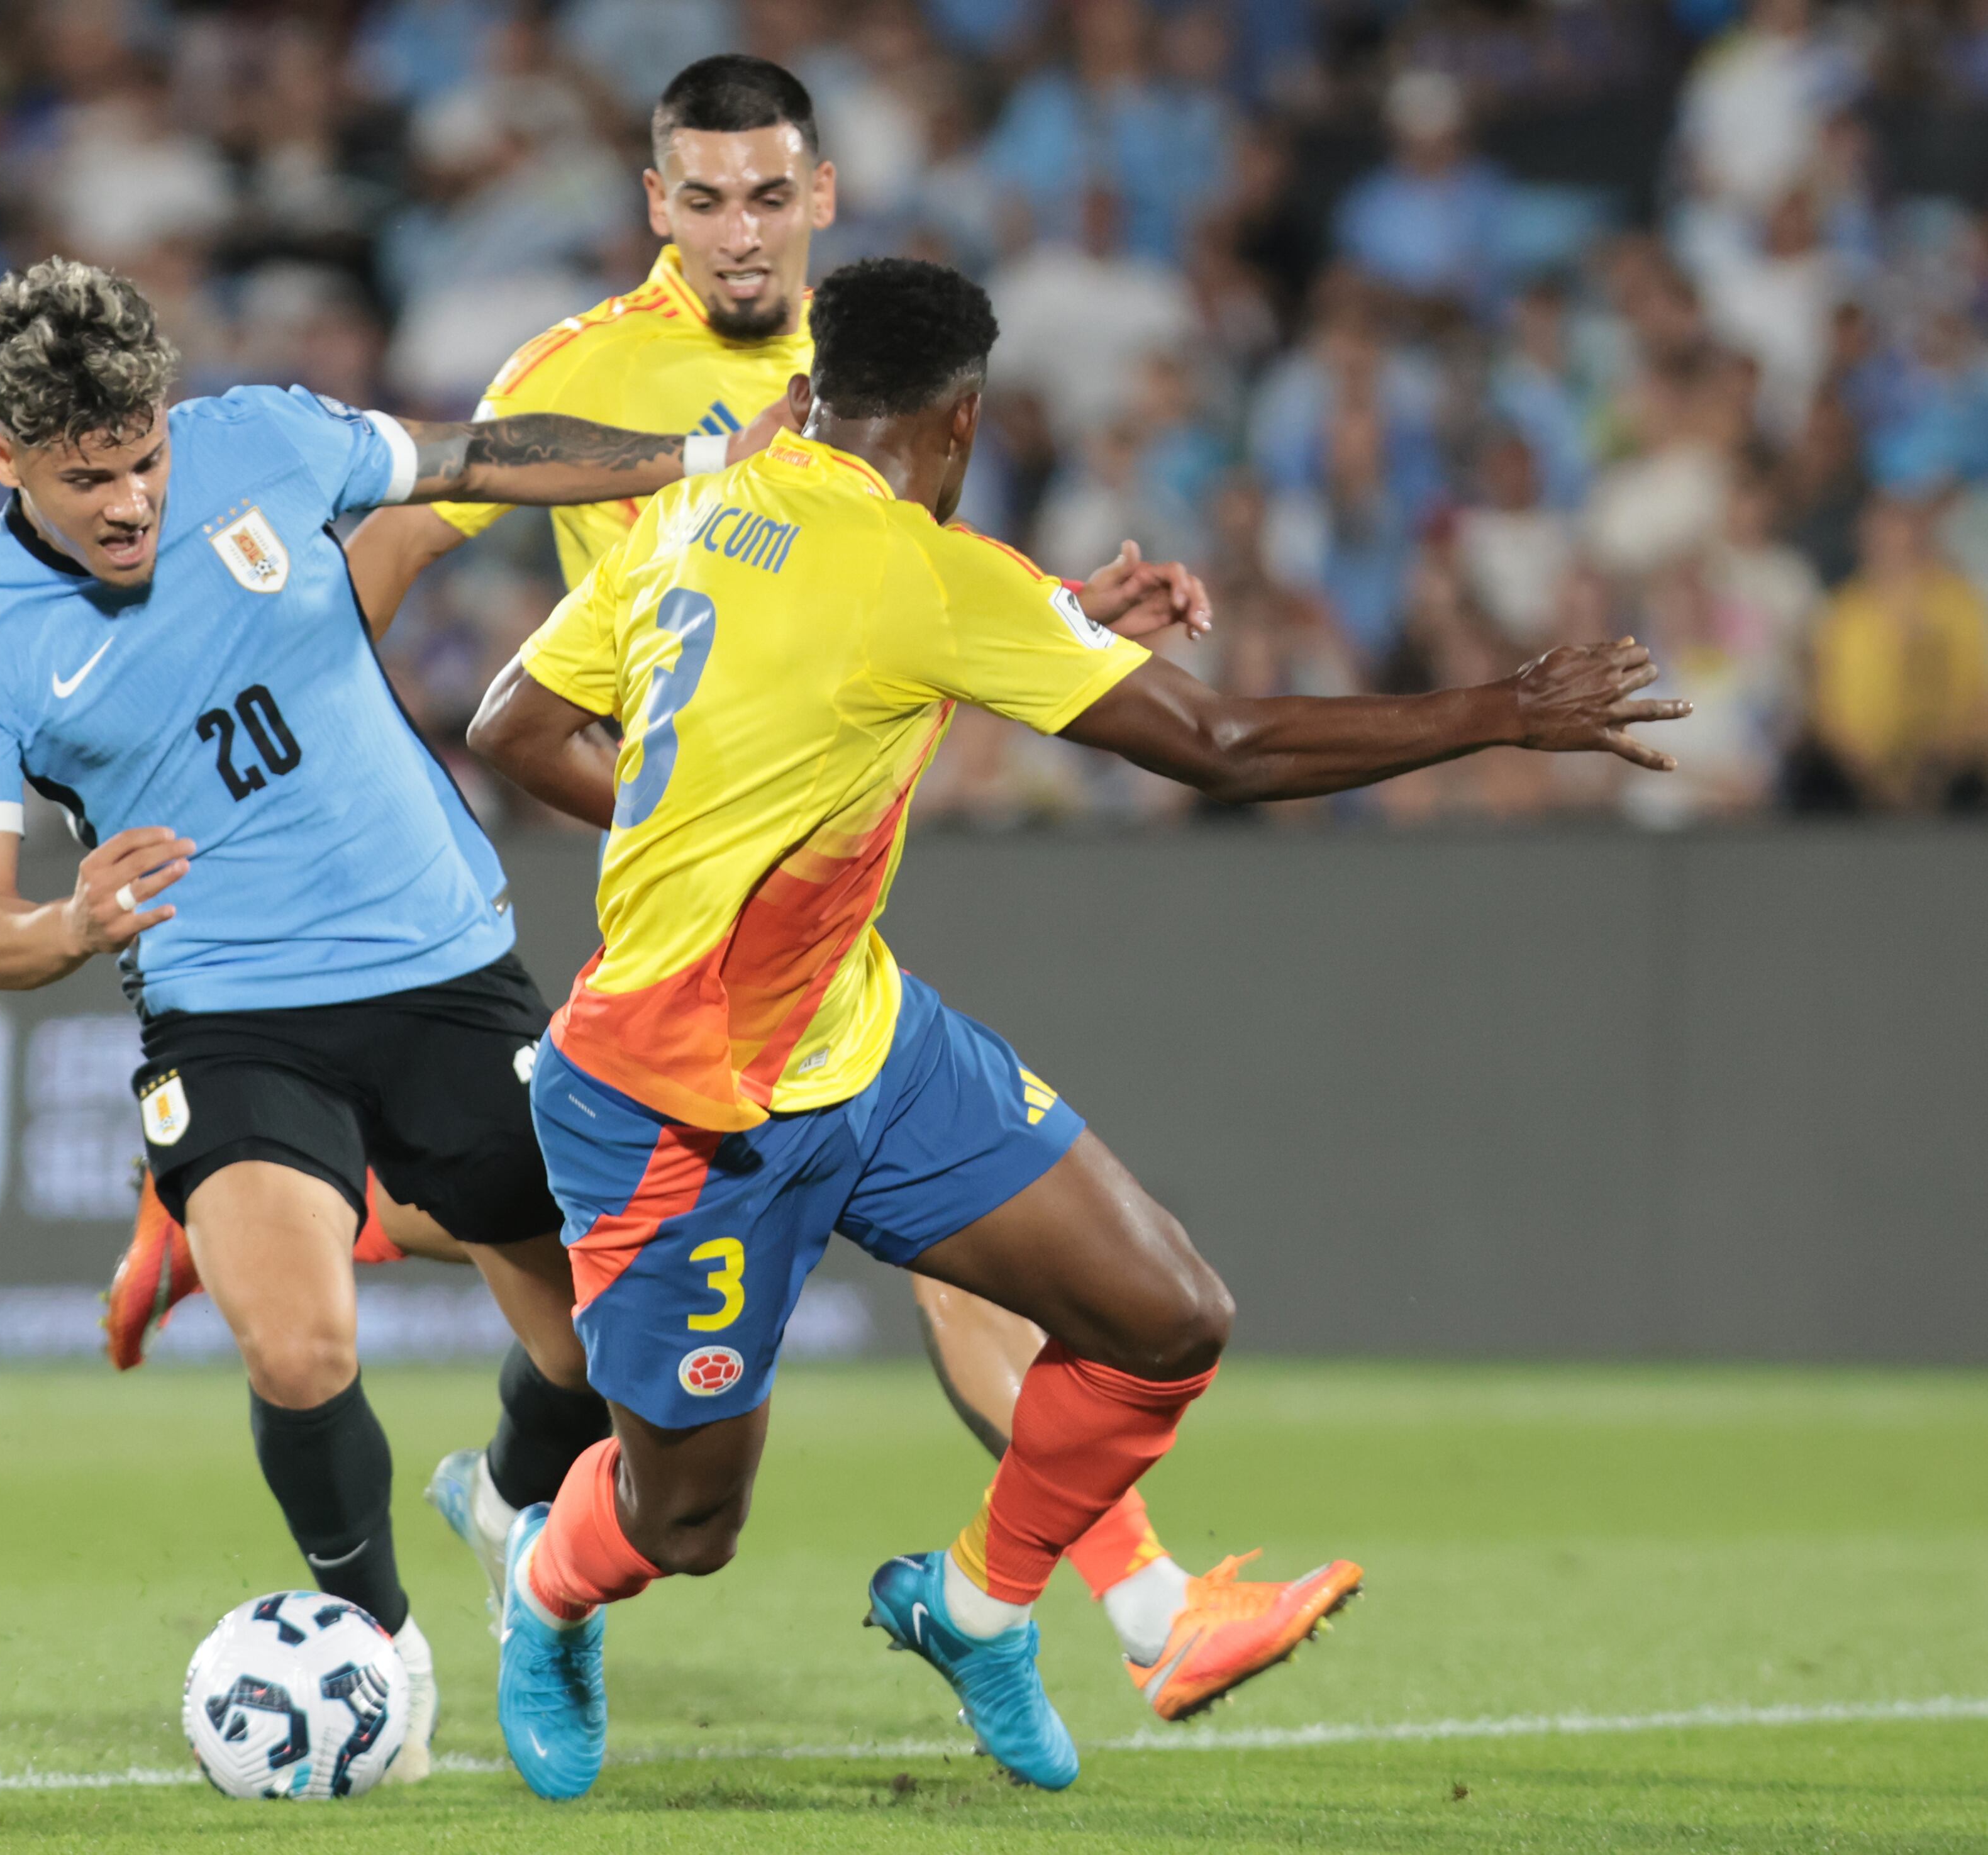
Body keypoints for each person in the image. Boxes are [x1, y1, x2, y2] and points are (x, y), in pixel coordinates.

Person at [464, 256, 1687, 1799]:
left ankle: (975, 1606)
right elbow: (1224, 745)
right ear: (964, 416)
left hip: (865, 1045)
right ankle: (548, 1589)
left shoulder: (711, 514)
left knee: (1165, 1315)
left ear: (816, 391)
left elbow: (511, 719)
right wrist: (1505, 706)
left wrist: (700, 799)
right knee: (682, 1519)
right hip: (669, 1111)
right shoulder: (928, 577)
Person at [329, 52, 1353, 1724]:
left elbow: (914, 595)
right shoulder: (575, 369)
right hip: (681, 936)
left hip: (824, 914)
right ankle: (296, 1200)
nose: (741, 237)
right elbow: (380, 579)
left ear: (822, 198)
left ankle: (1122, 1601)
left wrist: (1062, 621)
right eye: (706, 200)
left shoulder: (872, 355)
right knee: (613, 1307)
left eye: (770, 198)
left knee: (977, 1250)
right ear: (658, 203)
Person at [0, 255, 789, 1784]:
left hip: (441, 970)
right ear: (4, 458)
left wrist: (707, 453)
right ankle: (372, 1641)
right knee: (300, 1347)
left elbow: (478, 456)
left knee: (593, 1357)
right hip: (229, 1014)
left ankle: (513, 1507)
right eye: (85, 478)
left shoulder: (267, 440)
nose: (128, 503)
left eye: (143, 459)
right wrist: (67, 924)